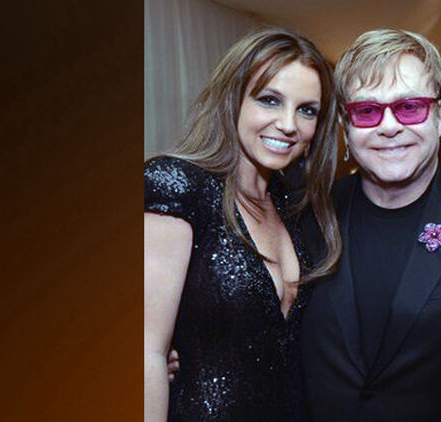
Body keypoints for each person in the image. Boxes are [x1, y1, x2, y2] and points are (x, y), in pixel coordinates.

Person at [144, 28, 341, 421]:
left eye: (307, 110)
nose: (289, 124)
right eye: (270, 100)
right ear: (232, 99)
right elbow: (146, 351)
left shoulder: (294, 209)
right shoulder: (177, 185)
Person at [299, 29, 441, 421]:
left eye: (409, 107)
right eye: (367, 111)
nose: (388, 127)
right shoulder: (308, 214)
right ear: (345, 124)